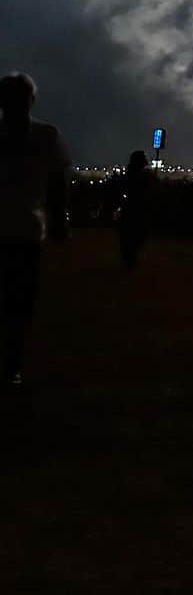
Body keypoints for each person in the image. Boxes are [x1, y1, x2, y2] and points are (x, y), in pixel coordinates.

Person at [0, 72, 71, 387]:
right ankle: (10, 364)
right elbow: (57, 184)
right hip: (27, 232)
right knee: (19, 303)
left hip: (19, 231)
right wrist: (58, 222)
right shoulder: (47, 136)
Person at [113, 150, 154, 271]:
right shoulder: (141, 176)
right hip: (135, 209)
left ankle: (128, 259)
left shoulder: (129, 175)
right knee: (135, 235)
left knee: (129, 236)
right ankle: (129, 260)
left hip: (129, 209)